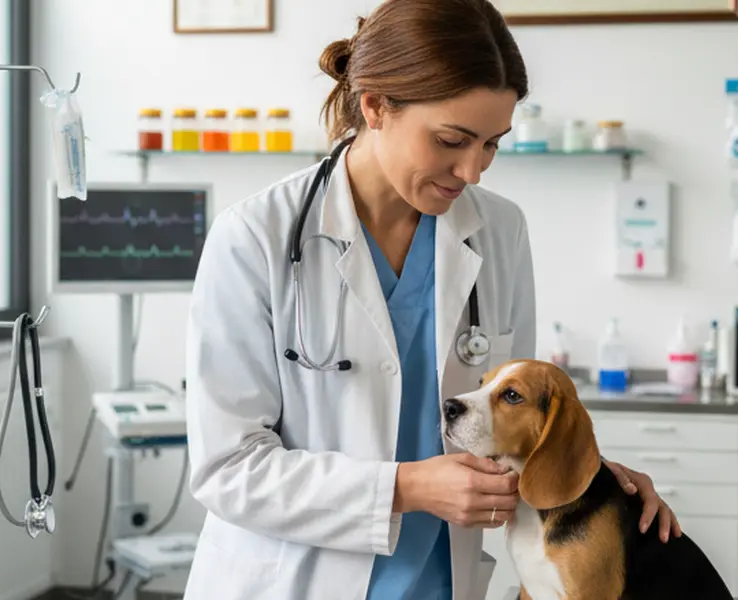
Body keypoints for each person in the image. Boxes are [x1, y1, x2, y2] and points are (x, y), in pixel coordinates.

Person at [181, 1, 682, 599]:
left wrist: (591, 482)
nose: (473, 171)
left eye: (492, 144)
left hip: (441, 583)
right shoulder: (255, 237)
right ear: (375, 106)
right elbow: (228, 468)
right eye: (452, 140)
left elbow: (509, 421)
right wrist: (406, 488)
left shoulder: (499, 231)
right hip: (292, 582)